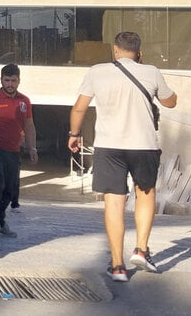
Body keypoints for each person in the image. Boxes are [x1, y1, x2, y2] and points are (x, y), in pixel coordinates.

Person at [68, 31, 177, 282]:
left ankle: (117, 265)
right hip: (144, 145)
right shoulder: (151, 71)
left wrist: (74, 133)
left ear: (115, 50)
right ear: (139, 52)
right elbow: (169, 102)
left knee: (114, 202)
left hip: (109, 146)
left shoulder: (97, 71)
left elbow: (79, 107)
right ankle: (141, 249)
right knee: (146, 194)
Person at [0, 63, 38, 237]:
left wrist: (32, 147)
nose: (10, 84)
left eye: (13, 80)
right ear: (1, 80)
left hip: (13, 150)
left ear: (19, 81)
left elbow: (29, 125)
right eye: (7, 80)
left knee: (10, 189)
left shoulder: (24, 101)